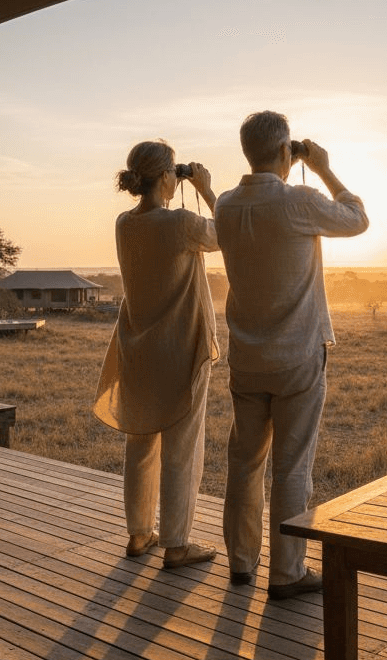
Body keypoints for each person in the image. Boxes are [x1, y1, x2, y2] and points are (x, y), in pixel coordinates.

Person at [216, 111, 368, 599]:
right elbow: (358, 219)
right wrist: (323, 168)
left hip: (246, 359)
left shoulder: (223, 204)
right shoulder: (298, 201)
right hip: (298, 356)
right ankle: (286, 573)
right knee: (291, 467)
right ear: (287, 152)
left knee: (244, 462)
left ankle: (241, 564)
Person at [93, 139, 220, 570]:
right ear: (168, 177)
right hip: (181, 346)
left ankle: (139, 533)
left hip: (137, 346)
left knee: (141, 440)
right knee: (182, 446)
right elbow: (229, 235)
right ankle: (178, 544)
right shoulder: (183, 223)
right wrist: (205, 189)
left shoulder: (123, 223)